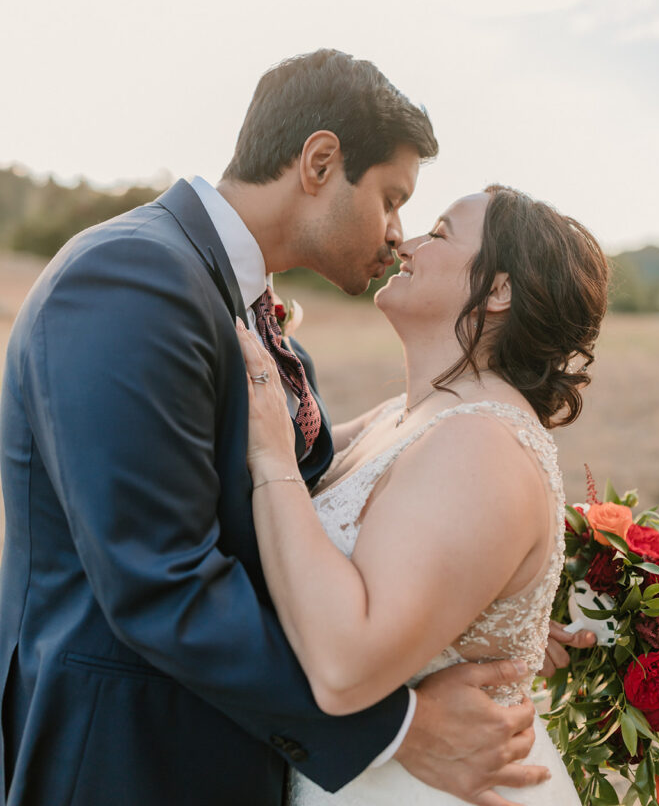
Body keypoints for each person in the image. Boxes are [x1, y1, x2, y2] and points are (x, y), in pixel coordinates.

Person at [0, 50, 589, 806]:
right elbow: (158, 578)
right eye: (391, 198)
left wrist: (470, 612)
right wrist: (400, 726)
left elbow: (320, 534)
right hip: (127, 757)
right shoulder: (130, 280)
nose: (396, 234)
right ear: (319, 162)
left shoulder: (255, 320)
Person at [236, 184, 610, 805]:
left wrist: (270, 455)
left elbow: (344, 667)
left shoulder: (483, 447)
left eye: (437, 234)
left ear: (498, 290)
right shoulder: (406, 416)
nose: (405, 243)